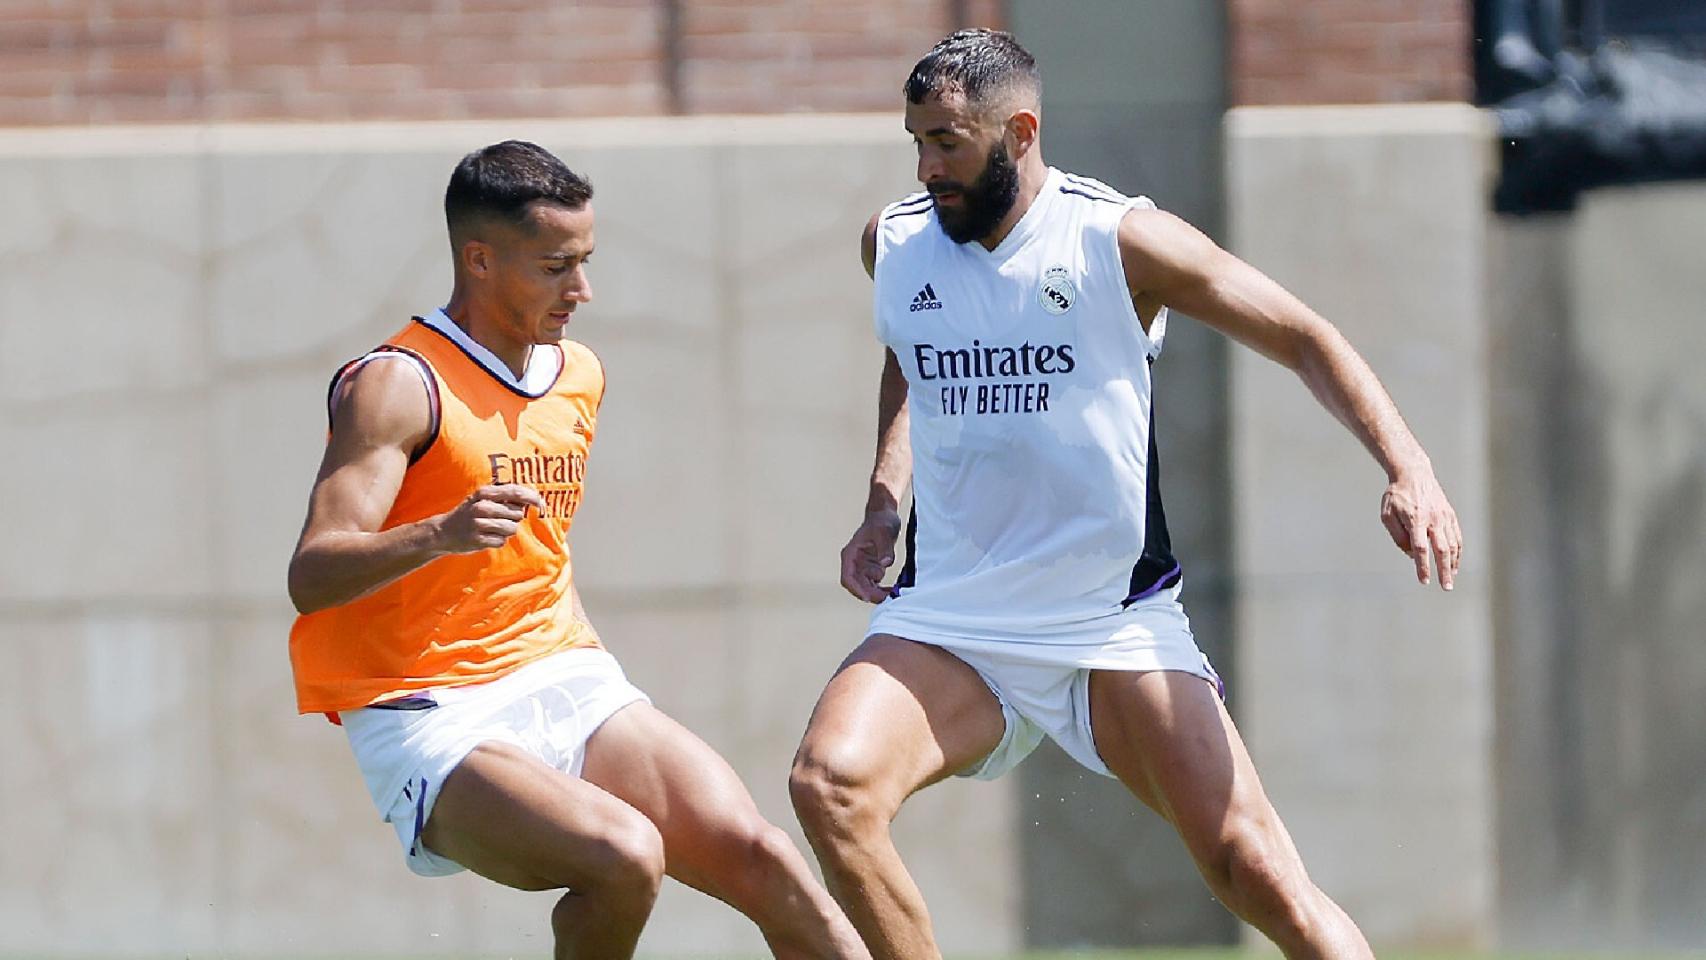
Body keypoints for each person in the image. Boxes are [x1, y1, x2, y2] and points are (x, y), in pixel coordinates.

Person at [787, 30, 1463, 960]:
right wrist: (881, 501)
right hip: (954, 617)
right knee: (828, 787)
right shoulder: (895, 242)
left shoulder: (1117, 239)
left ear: (1018, 131)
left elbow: (1304, 335)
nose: (927, 166)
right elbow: (911, 356)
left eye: (948, 141)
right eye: (916, 141)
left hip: (1113, 622)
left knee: (1255, 874)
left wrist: (1410, 466)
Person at [287, 140, 870, 960]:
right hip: (426, 706)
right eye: (556, 267)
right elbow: (312, 574)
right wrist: (439, 534)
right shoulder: (398, 384)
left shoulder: (578, 373)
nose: (582, 290)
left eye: (586, 262)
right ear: (480, 260)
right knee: (625, 858)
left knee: (763, 857)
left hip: (560, 670)